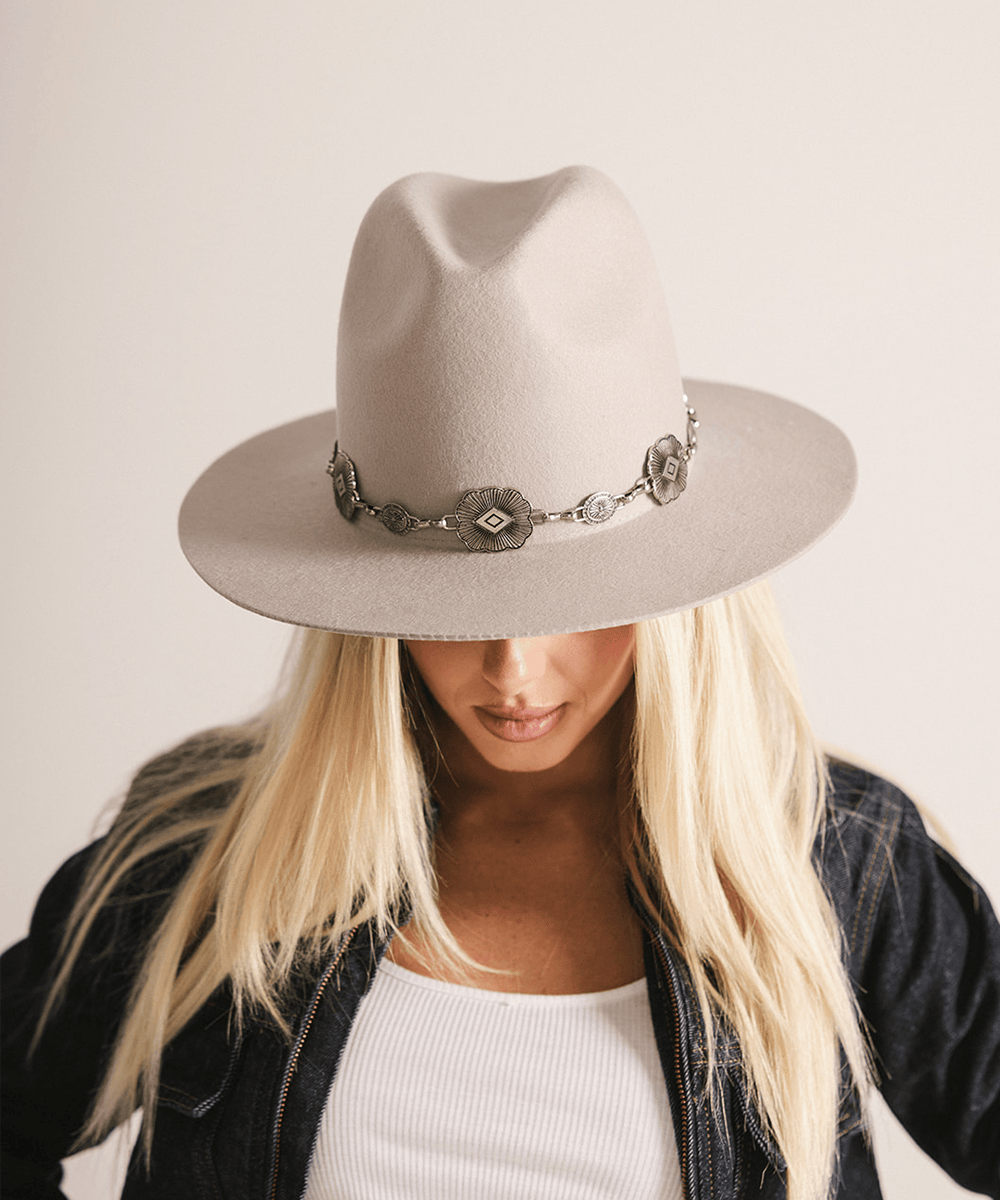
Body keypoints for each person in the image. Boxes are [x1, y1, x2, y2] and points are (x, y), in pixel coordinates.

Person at [2, 166, 997, 1200]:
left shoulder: (839, 864)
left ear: (682, 598)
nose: (514, 672)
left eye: (578, 602)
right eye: (456, 614)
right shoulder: (207, 856)